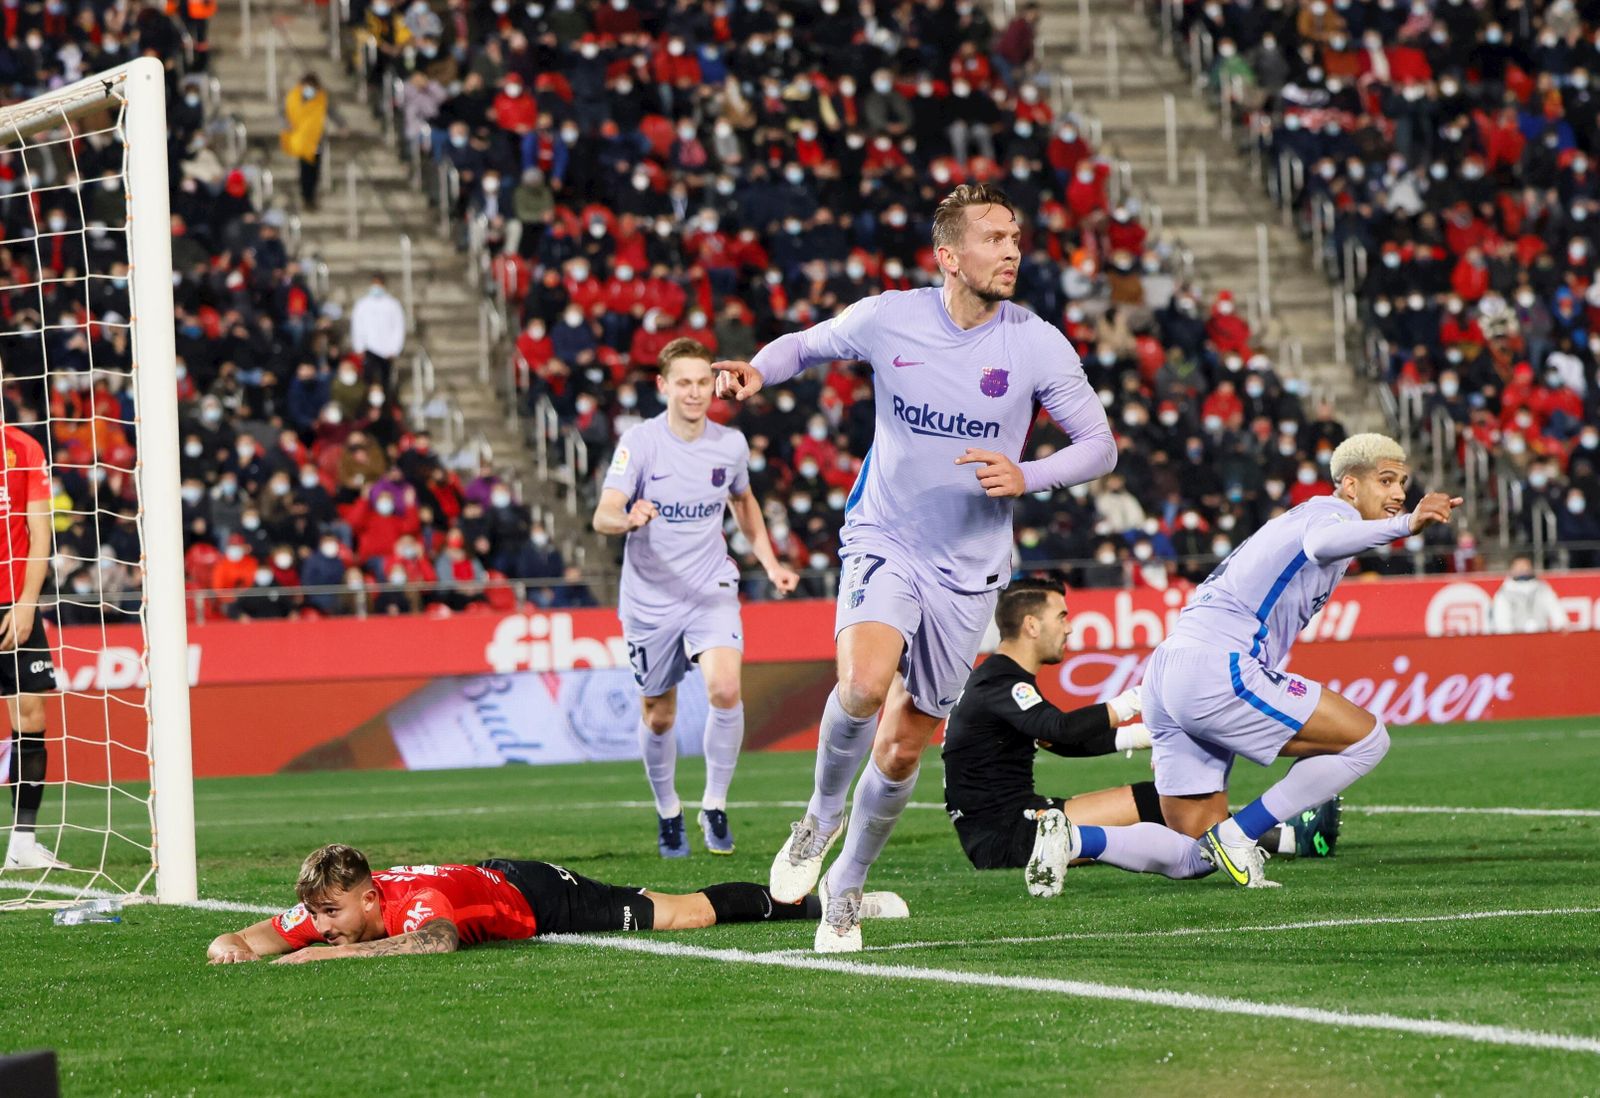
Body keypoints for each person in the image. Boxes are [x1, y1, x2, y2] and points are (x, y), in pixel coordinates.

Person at [715, 183, 1117, 952]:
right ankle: (818, 819)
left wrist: (1027, 475)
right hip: (885, 537)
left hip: (969, 570)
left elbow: (1099, 445)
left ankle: (849, 887)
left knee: (904, 745)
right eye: (994, 238)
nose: (1011, 250)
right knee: (863, 685)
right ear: (948, 256)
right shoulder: (889, 316)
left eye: (1015, 237)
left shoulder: (1035, 342)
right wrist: (758, 375)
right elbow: (803, 345)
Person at [1026, 434, 1459, 893]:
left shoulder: (1304, 518)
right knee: (1367, 740)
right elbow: (1326, 541)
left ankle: (1073, 837)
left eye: (1404, 483)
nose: (1397, 493)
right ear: (1350, 486)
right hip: (1218, 667)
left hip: (1169, 669)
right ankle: (1240, 833)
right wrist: (1408, 524)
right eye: (1386, 480)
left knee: (1194, 852)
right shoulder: (1328, 514)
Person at [943, 579, 1341, 875]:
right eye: (1061, 616)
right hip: (1007, 837)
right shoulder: (1001, 682)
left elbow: (1054, 739)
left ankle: (1269, 839)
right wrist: (1137, 700)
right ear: (1031, 625)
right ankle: (1289, 840)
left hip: (1013, 822)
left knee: (1159, 800)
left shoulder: (998, 678)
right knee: (1165, 810)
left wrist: (1140, 736)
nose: (1069, 628)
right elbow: (1060, 729)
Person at [592, 338, 799, 859]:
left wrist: (770, 564)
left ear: (715, 385)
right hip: (650, 600)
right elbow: (604, 513)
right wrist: (628, 518)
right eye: (683, 382)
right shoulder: (639, 444)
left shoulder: (729, 445)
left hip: (711, 588)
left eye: (703, 382)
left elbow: (743, 503)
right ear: (663, 386)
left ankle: (715, 804)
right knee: (658, 715)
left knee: (726, 689)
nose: (694, 392)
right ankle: (668, 812)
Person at [205, 843, 908, 964]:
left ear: (366, 897)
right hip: (496, 879)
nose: (319, 928)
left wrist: (316, 963)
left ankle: (837, 903)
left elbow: (436, 943)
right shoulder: (335, 910)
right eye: (317, 916)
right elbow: (246, 940)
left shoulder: (416, 903)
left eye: (331, 916)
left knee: (685, 912)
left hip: (540, 896)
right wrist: (232, 950)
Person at [1, 424, 65, 870]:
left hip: (12, 603)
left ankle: (23, 840)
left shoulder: (21, 447)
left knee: (31, 712)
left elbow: (40, 532)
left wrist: (27, 604)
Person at [348, 273, 407, 392]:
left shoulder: (393, 304)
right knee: (368, 381)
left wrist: (395, 348)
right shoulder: (362, 304)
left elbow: (398, 327)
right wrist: (359, 347)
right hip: (369, 348)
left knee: (385, 382)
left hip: (387, 350)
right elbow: (357, 326)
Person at [280, 72, 328, 211]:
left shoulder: (321, 98)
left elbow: (330, 112)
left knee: (315, 170)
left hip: (315, 140)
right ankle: (307, 197)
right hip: (299, 139)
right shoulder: (292, 98)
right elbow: (283, 113)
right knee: (305, 170)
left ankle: (311, 196)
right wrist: (287, 124)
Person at [1491, 556, 1568, 634]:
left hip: (1541, 636)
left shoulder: (1542, 589)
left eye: (1526, 566)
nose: (1523, 570)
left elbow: (1555, 610)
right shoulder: (1504, 593)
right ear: (1512, 569)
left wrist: (1561, 627)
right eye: (1519, 567)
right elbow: (1502, 620)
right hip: (1516, 638)